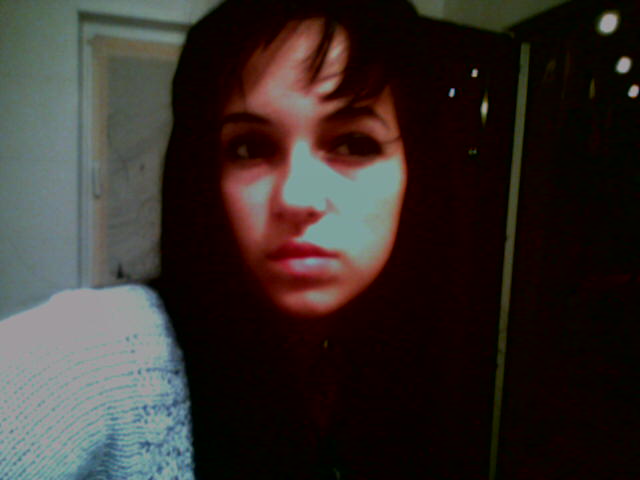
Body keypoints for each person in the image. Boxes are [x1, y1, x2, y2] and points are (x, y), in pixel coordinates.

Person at [157, 0, 462, 478]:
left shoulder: (428, 362)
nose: (297, 198)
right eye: (250, 148)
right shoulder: (111, 359)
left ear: (416, 173)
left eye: (353, 143)